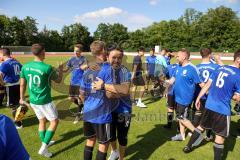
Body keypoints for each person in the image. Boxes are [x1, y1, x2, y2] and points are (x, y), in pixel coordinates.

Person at [183, 49, 240, 160]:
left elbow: (207, 84)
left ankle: (188, 146)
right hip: (222, 109)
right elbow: (237, 97)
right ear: (238, 59)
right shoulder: (238, 75)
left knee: (201, 127)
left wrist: (199, 97)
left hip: (209, 105)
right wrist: (234, 96)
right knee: (220, 137)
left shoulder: (220, 68)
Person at [20, 43, 63, 158]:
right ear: (43, 52)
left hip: (33, 101)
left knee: (42, 121)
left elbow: (22, 84)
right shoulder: (47, 68)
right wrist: (61, 70)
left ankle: (45, 142)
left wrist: (21, 98)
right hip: (45, 101)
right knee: (54, 121)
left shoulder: (25, 66)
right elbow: (58, 80)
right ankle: (44, 148)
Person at [93, 46, 132, 160]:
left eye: (119, 58)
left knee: (122, 137)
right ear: (108, 57)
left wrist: (104, 86)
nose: (116, 60)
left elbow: (125, 90)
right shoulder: (104, 70)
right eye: (113, 57)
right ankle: (114, 152)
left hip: (124, 110)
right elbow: (104, 93)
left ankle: (121, 158)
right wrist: (116, 91)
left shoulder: (125, 71)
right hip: (109, 111)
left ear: (122, 58)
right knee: (111, 135)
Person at [80, 41, 112, 160]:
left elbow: (82, 93)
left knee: (90, 140)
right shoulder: (108, 69)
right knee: (103, 144)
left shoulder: (88, 70)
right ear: (103, 50)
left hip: (88, 112)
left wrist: (86, 105)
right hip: (102, 114)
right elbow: (111, 93)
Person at [166, 48, 204, 141]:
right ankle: (182, 135)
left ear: (184, 57)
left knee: (182, 118)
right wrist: (164, 82)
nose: (176, 57)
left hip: (185, 98)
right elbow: (172, 79)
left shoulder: (192, 69)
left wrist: (208, 94)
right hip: (177, 97)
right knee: (180, 117)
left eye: (178, 56)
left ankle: (197, 134)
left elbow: (201, 84)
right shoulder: (179, 66)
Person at [192, 48, 219, 140]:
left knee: (197, 113)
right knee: (210, 115)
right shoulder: (216, 67)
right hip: (210, 95)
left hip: (198, 95)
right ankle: (208, 135)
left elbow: (196, 81)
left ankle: (193, 131)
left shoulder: (196, 67)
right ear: (210, 55)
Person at [63, 44, 88, 124]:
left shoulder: (84, 59)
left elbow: (87, 67)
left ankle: (78, 115)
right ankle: (82, 107)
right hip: (73, 82)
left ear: (81, 51)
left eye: (77, 51)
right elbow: (66, 69)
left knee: (79, 98)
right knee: (71, 98)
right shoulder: (71, 59)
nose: (75, 52)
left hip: (80, 82)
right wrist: (61, 69)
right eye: (74, 50)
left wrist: (85, 66)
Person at [0, 47, 22, 128]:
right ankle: (19, 121)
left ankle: (18, 124)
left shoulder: (5, 64)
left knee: (13, 106)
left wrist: (2, 83)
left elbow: (0, 75)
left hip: (10, 86)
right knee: (17, 104)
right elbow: (22, 69)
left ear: (2, 54)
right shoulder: (15, 62)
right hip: (18, 85)